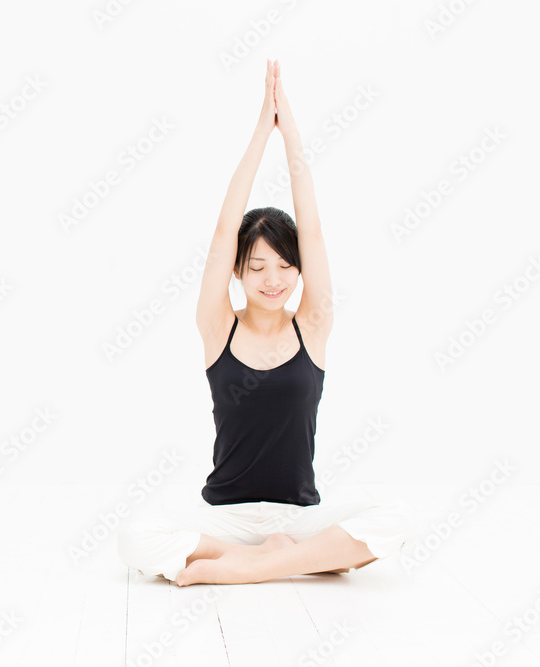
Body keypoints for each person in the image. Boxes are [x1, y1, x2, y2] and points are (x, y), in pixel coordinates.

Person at [116, 59, 416, 586]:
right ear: (238, 270)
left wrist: (292, 132)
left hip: (300, 517)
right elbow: (222, 231)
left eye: (284, 265)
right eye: (257, 266)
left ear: (298, 270)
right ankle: (287, 562)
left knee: (400, 517)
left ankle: (244, 569)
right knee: (134, 536)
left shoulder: (313, 327)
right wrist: (262, 132)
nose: (272, 279)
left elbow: (316, 233)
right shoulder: (217, 327)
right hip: (224, 518)